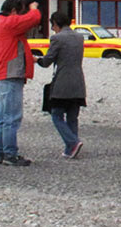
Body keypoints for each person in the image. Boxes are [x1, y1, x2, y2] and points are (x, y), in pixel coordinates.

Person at [0, 0, 41, 166]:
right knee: (12, 116)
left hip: (2, 74)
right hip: (10, 75)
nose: (22, 17)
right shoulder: (9, 23)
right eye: (20, 13)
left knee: (2, 117)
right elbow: (34, 18)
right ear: (13, 12)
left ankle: (1, 152)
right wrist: (33, 8)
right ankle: (10, 153)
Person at [36, 12, 86, 159]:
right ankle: (70, 149)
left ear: (56, 23)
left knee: (56, 114)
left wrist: (36, 60)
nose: (53, 28)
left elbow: (47, 61)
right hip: (78, 81)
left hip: (63, 82)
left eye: (53, 25)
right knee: (72, 116)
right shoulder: (79, 37)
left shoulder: (57, 38)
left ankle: (73, 142)